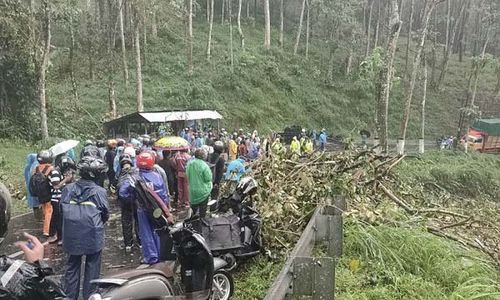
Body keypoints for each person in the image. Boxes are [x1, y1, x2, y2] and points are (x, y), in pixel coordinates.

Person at [61, 156, 109, 300]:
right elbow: (105, 214)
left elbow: (60, 211)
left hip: (71, 235)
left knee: (72, 267)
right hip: (93, 234)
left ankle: (69, 297)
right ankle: (90, 296)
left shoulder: (68, 189)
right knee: (92, 267)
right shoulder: (99, 192)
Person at [119, 152, 172, 264]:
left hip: (142, 209)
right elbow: (164, 194)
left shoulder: (134, 178)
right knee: (157, 229)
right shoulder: (157, 176)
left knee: (146, 232)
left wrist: (134, 197)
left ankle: (151, 257)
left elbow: (123, 193)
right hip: (157, 208)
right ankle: (159, 253)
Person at [116, 154, 141, 252]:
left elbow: (116, 188)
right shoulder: (136, 172)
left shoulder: (119, 174)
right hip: (135, 200)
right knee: (138, 220)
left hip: (124, 202)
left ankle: (128, 244)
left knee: (126, 221)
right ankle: (140, 242)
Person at [31, 150, 55, 239]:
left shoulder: (36, 169)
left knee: (45, 210)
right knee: (49, 211)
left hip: (39, 194)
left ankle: (46, 227)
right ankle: (47, 231)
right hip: (48, 192)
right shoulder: (50, 168)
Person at [186, 149, 212, 218]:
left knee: (193, 210)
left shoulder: (189, 164)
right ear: (204, 156)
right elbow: (208, 178)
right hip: (203, 191)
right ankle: (201, 223)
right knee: (202, 211)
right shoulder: (204, 165)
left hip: (192, 191)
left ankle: (192, 223)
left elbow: (187, 175)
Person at [24, 153, 41, 220]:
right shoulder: (36, 165)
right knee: (38, 201)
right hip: (36, 186)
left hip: (30, 187)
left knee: (34, 202)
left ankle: (36, 216)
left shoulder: (27, 167)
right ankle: (40, 217)